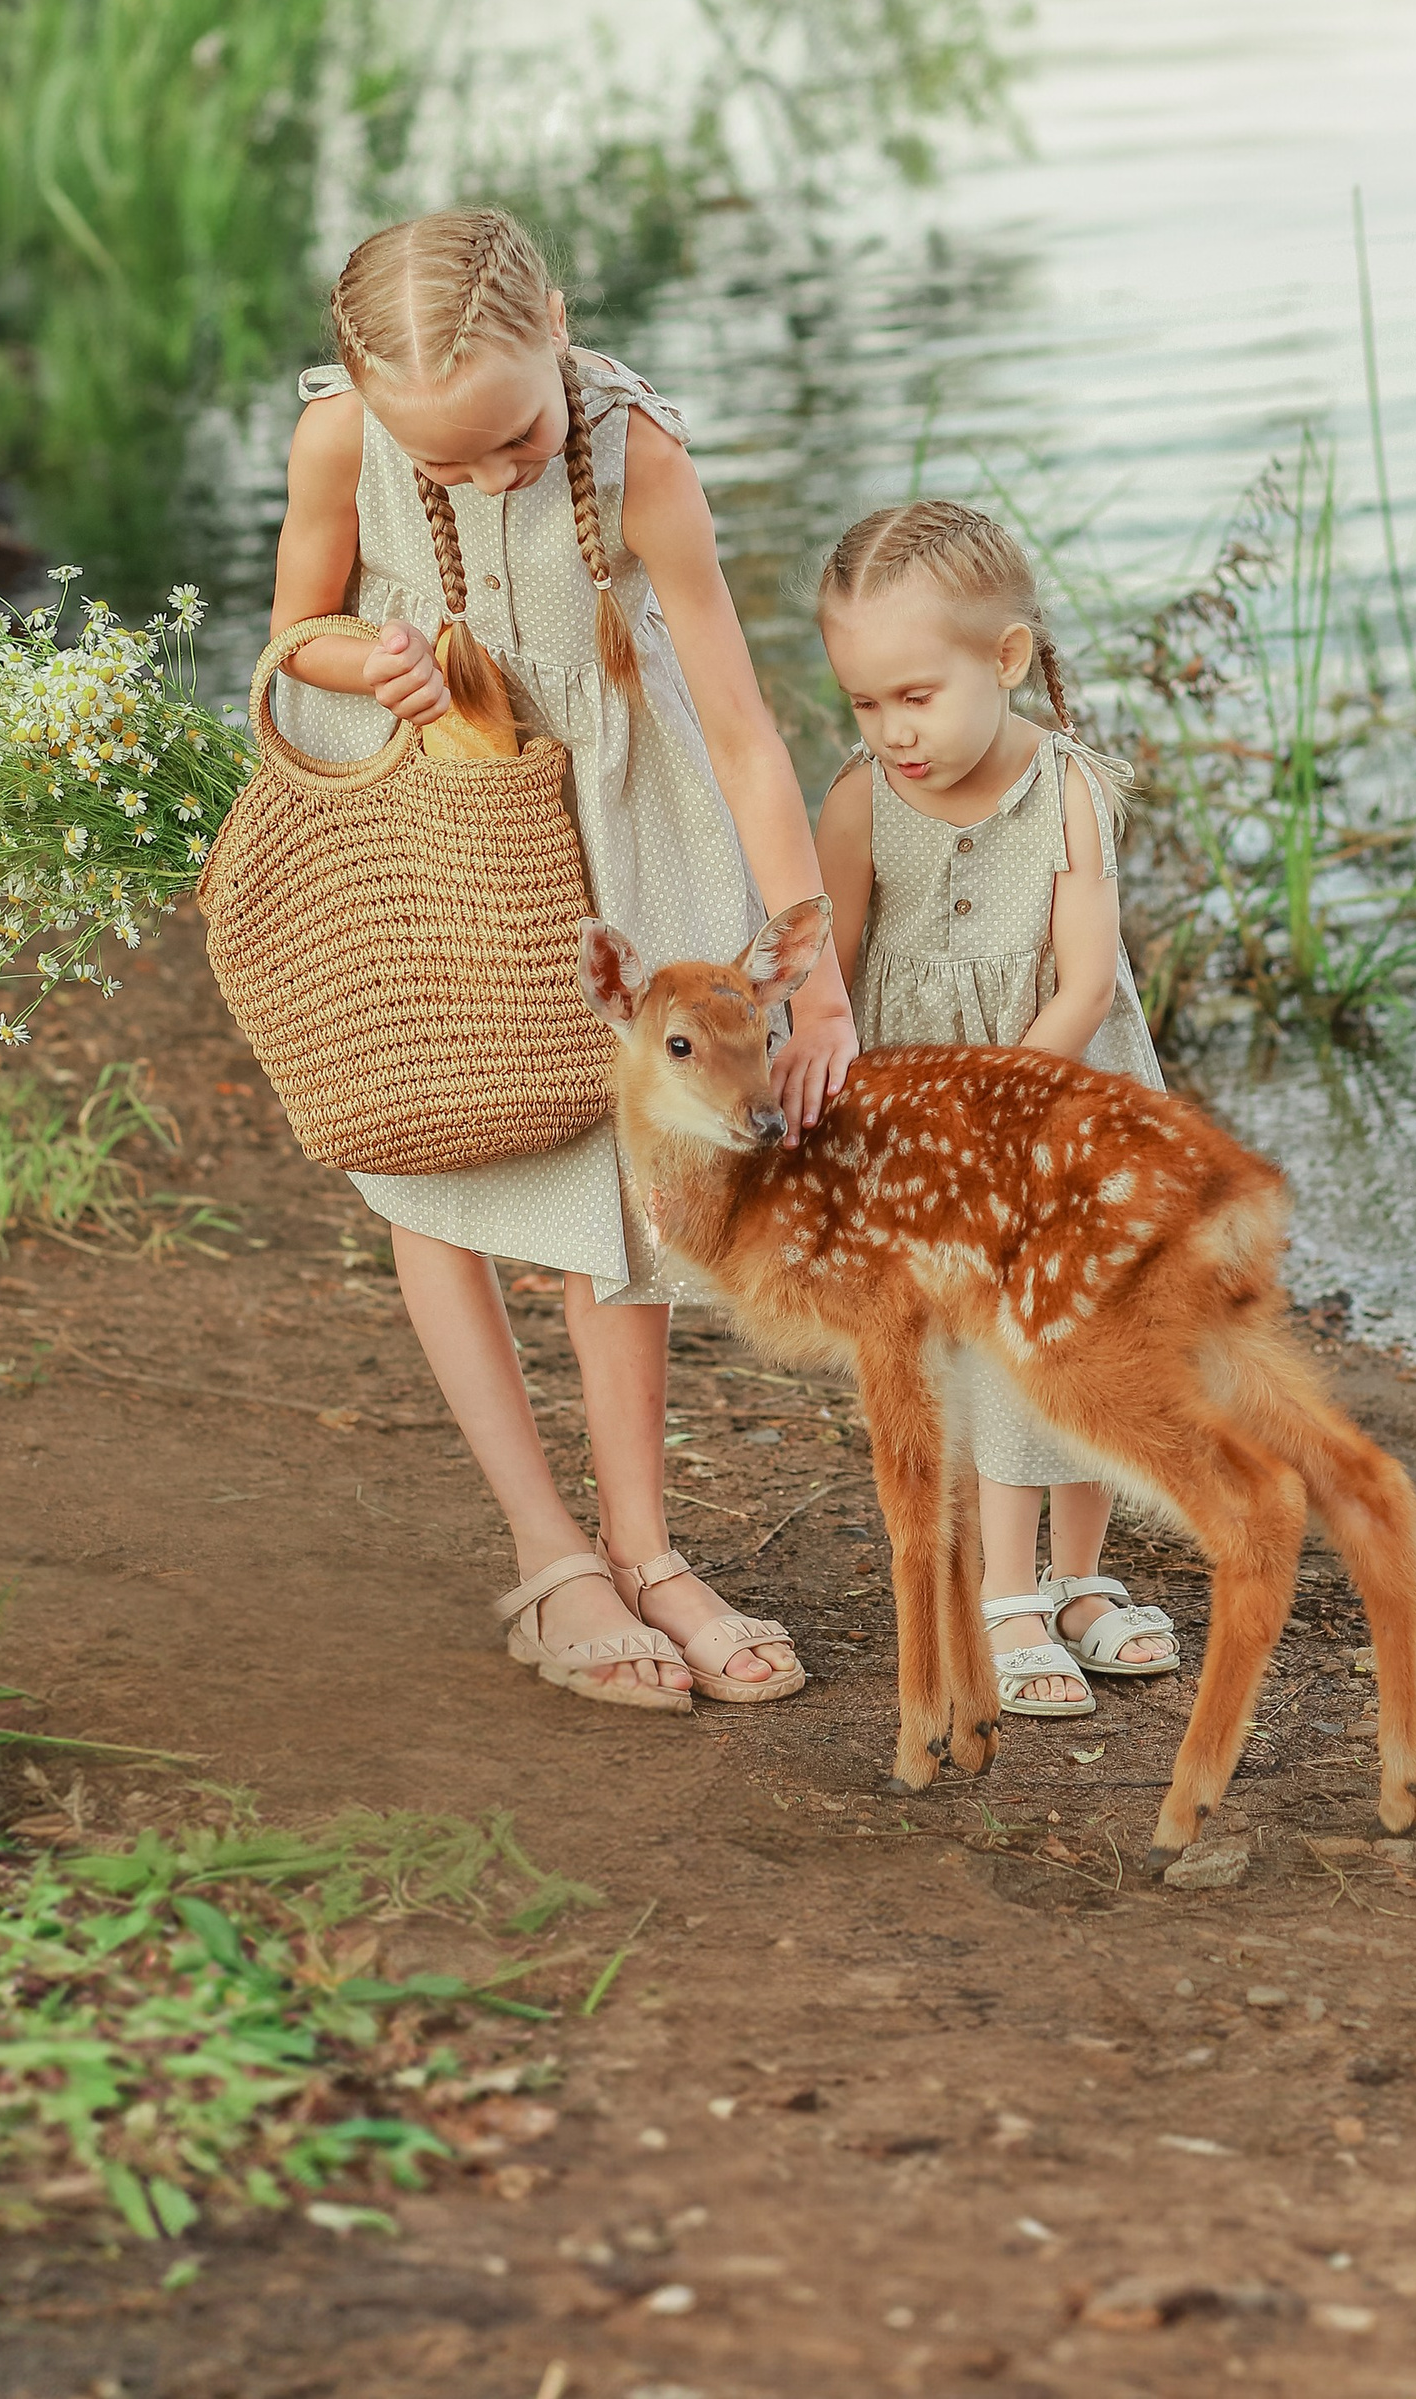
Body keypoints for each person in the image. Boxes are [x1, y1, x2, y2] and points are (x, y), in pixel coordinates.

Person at [270, 207, 857, 1716]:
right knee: (439, 1143)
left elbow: (739, 724)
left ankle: (648, 1547)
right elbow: (297, 630)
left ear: (562, 328)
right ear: (359, 380)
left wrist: (819, 974)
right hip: (435, 806)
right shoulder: (342, 435)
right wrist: (371, 658)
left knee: (626, 1178)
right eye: (448, 464)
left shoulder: (639, 455)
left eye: (514, 438)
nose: (486, 478)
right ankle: (551, 1553)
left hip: (621, 810)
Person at [811, 501, 1180, 1718]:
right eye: (865, 704)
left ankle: (1076, 1579)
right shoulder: (860, 806)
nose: (892, 731)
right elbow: (833, 982)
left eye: (915, 695)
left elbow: (1083, 982)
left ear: (1006, 659)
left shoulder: (1066, 787)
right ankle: (999, 1593)